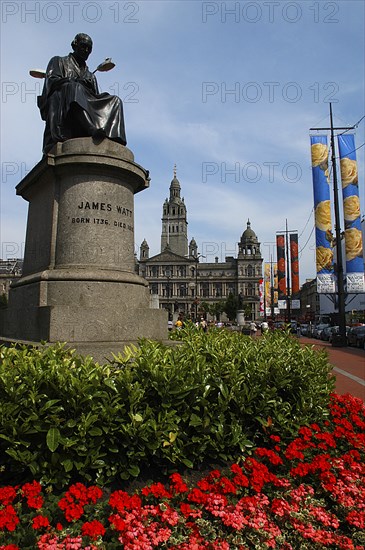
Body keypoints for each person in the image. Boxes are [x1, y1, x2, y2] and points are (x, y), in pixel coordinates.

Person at [38, 33, 127, 154]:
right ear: (74, 45)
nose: (86, 50)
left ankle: (114, 141)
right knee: (75, 87)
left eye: (89, 49)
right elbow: (52, 82)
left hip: (83, 101)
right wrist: (75, 81)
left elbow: (94, 97)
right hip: (65, 106)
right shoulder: (58, 61)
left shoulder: (90, 75)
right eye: (83, 46)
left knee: (115, 100)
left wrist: (90, 88)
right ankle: (90, 128)